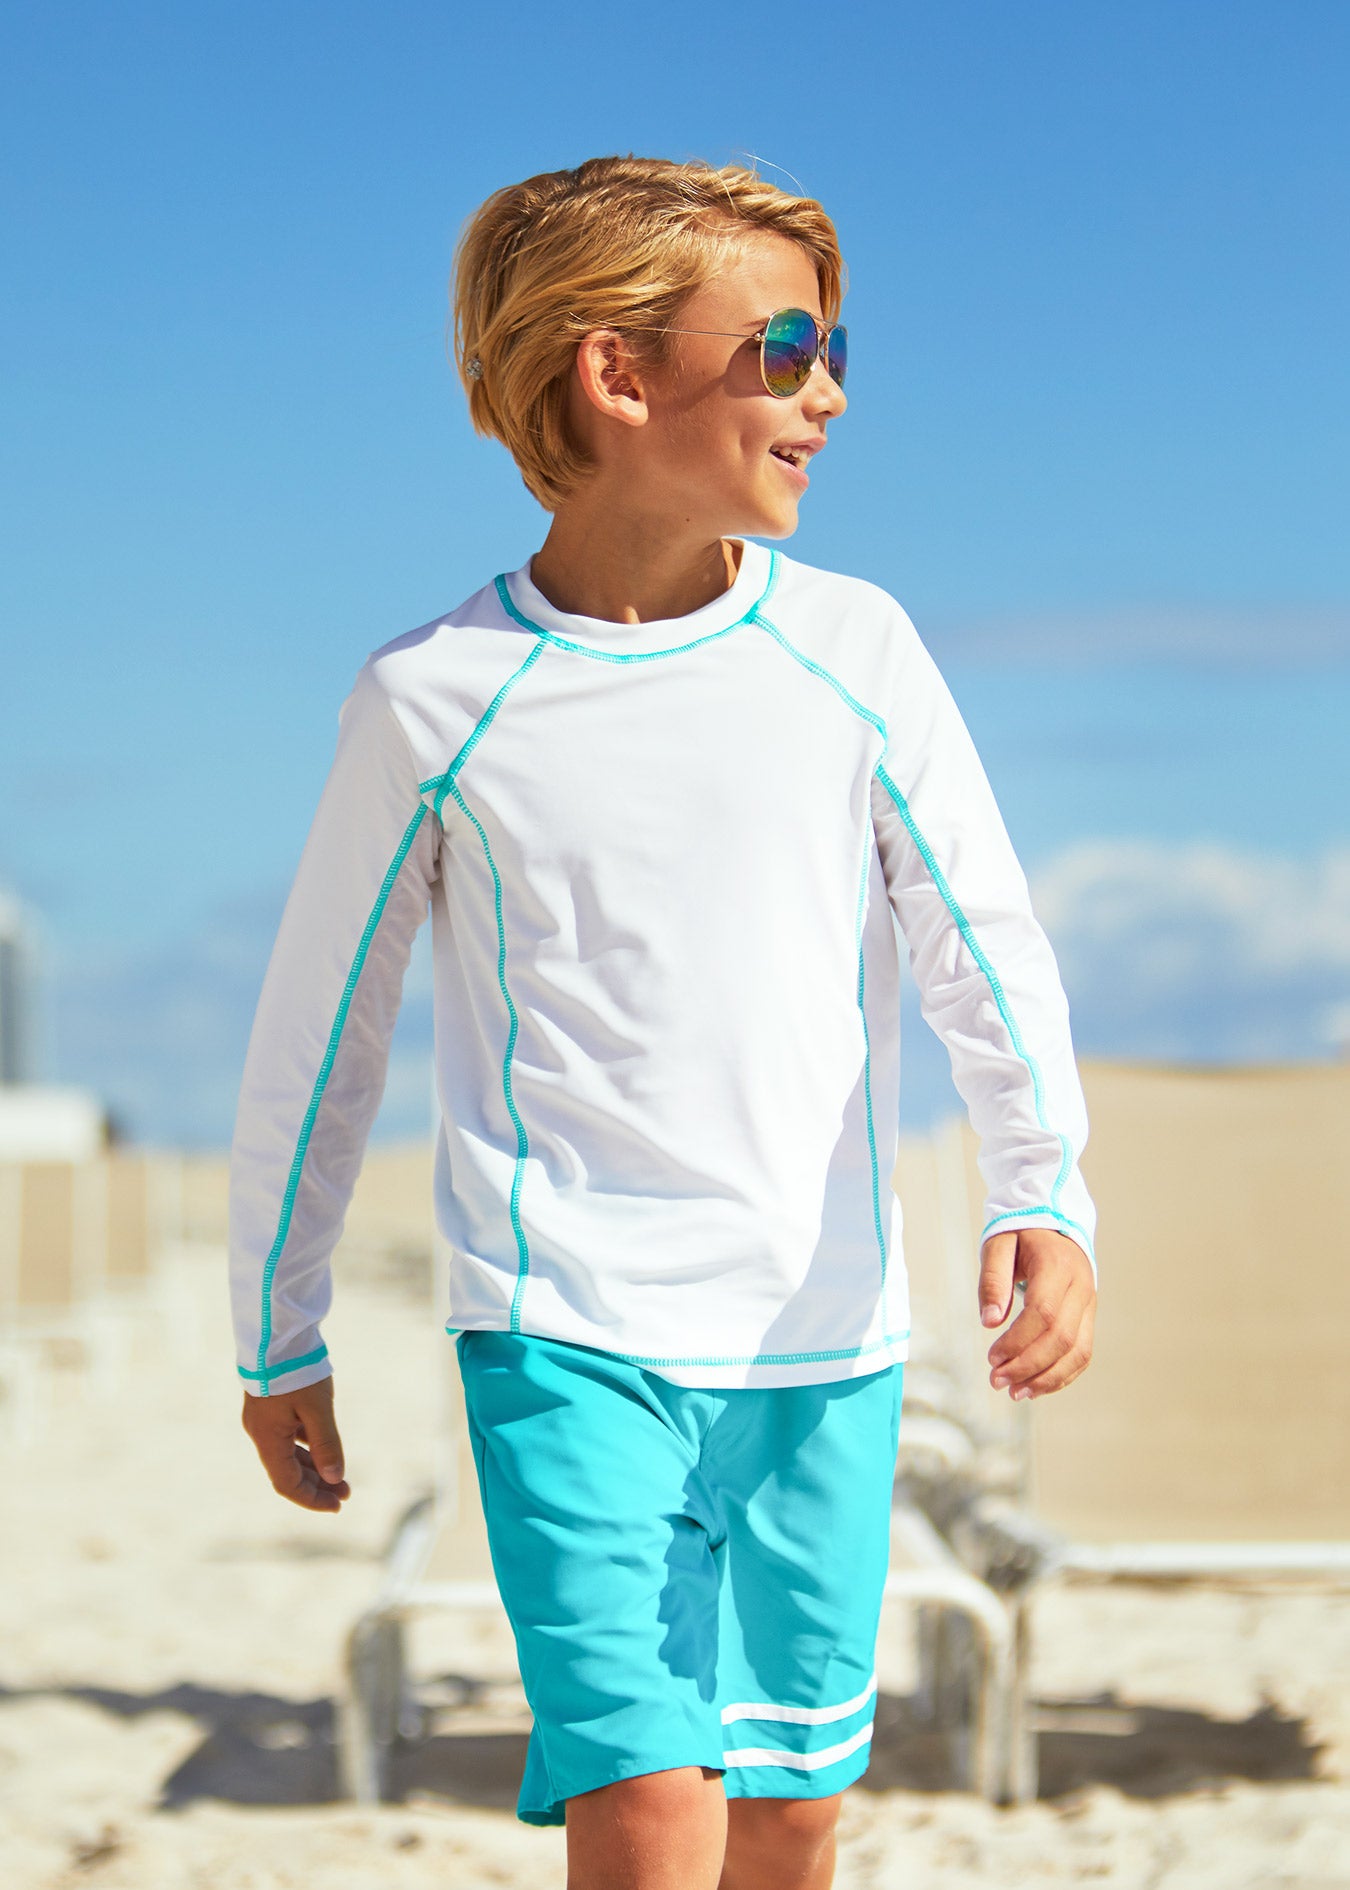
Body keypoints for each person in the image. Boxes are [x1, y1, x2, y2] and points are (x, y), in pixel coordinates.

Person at [230, 156, 1097, 1889]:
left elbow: (978, 941)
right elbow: (325, 1021)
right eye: (782, 348)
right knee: (645, 1795)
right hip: (563, 1331)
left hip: (821, 1330)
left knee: (786, 1806)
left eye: (834, 345)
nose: (827, 392)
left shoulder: (856, 649)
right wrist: (279, 1318)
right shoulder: (434, 698)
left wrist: (1041, 1188)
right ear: (615, 378)